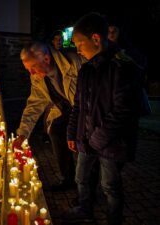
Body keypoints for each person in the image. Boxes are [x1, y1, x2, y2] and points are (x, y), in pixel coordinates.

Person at [61, 12, 142, 225]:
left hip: (111, 143)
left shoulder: (121, 66)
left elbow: (123, 111)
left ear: (96, 39)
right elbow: (78, 105)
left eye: (79, 43)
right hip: (86, 139)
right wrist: (72, 132)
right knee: (82, 177)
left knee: (110, 185)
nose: (77, 49)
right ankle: (84, 209)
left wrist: (96, 138)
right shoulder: (86, 69)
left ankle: (114, 218)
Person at [12, 40, 84, 191]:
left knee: (85, 145)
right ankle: (67, 178)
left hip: (84, 110)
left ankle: (86, 188)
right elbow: (34, 104)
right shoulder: (38, 76)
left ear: (46, 59)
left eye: (32, 68)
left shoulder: (75, 63)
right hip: (65, 109)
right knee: (55, 130)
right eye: (28, 69)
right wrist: (23, 134)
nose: (31, 74)